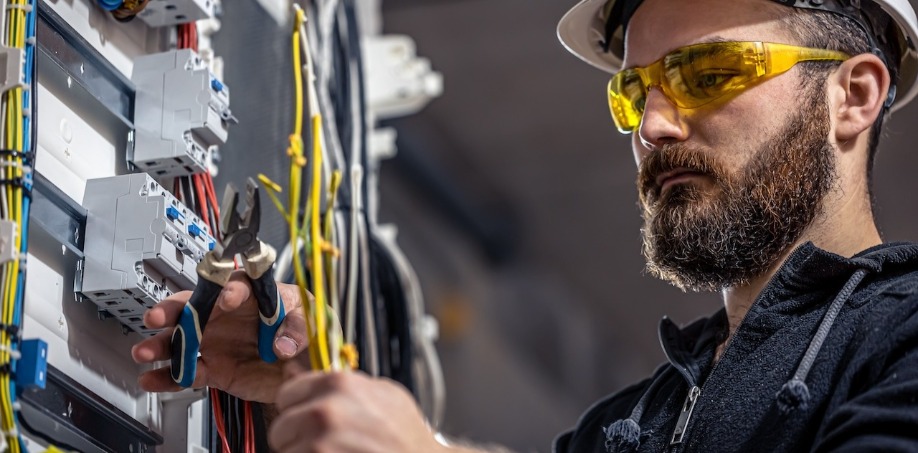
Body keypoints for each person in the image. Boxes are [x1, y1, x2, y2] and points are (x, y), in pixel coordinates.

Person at [132, 0, 918, 451]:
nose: (652, 124)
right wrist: (309, 405)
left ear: (853, 96)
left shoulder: (901, 338)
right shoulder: (630, 422)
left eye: (707, 74)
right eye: (634, 90)